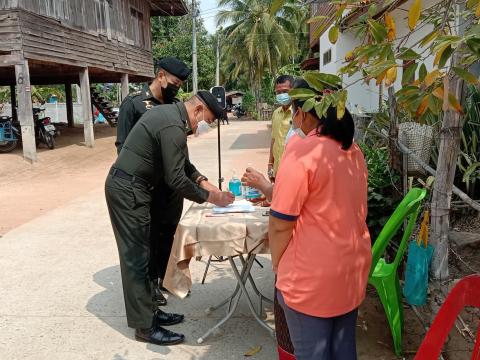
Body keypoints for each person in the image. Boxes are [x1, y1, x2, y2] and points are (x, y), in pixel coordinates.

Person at [242, 78, 372, 360]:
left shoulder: (302, 151)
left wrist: (279, 266)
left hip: (311, 279)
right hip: (351, 269)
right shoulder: (353, 151)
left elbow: (280, 223)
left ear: (301, 112)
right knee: (343, 350)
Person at [105, 90, 235, 346]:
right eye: (206, 119)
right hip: (128, 190)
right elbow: (176, 179)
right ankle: (144, 326)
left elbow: (184, 165)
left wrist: (209, 187)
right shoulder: (173, 125)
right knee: (136, 259)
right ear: (197, 110)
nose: (203, 126)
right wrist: (211, 199)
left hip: (137, 188)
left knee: (148, 255)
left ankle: (151, 312)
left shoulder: (170, 117)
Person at [115, 56, 191, 307]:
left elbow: (180, 148)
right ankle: (148, 285)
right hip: (147, 187)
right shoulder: (134, 105)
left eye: (180, 84)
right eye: (174, 82)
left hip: (171, 187)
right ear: (160, 76)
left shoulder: (175, 105)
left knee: (168, 234)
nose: (176, 87)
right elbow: (123, 148)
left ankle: (162, 279)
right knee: (147, 237)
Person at [268, 75, 294, 183]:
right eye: (278, 92)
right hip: (277, 169)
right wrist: (270, 164)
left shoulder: (299, 114)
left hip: (293, 170)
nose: (281, 95)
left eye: (285, 91)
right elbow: (274, 140)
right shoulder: (276, 113)